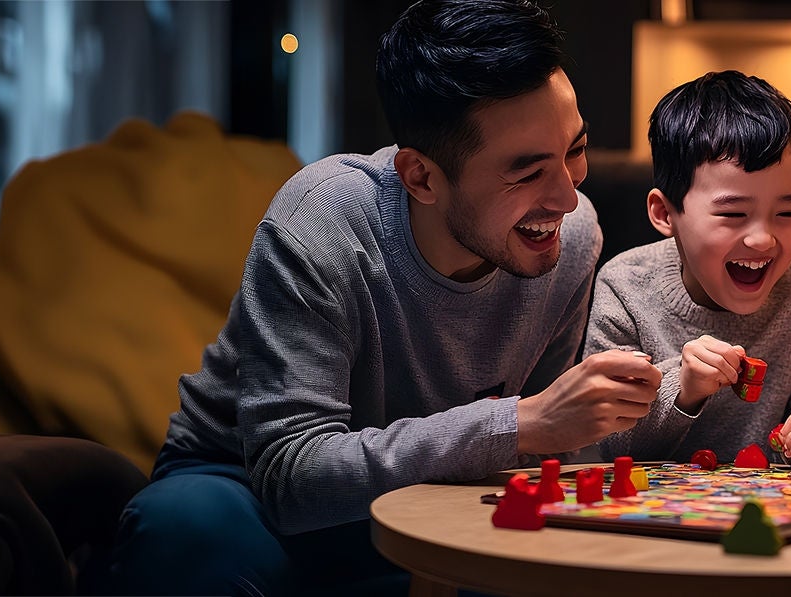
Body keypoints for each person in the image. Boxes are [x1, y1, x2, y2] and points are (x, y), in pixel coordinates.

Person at [100, 1, 662, 594]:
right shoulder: (324, 221)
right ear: (420, 176)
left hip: (441, 495)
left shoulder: (571, 238)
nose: (567, 199)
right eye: (526, 174)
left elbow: (540, 449)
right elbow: (292, 475)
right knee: (189, 530)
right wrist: (519, 424)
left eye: (575, 151)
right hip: (248, 491)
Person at [586, 70, 791, 470]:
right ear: (665, 213)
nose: (763, 240)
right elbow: (611, 441)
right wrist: (682, 388)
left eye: (787, 212)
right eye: (734, 213)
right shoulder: (625, 287)